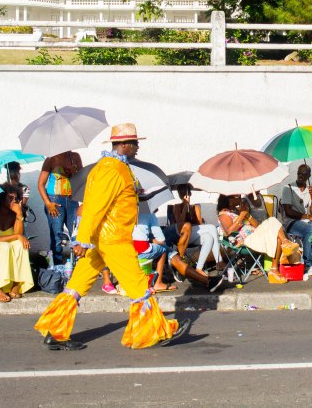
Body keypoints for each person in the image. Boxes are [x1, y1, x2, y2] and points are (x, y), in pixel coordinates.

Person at [34, 123, 189, 351]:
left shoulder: (113, 167)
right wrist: (82, 240)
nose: (137, 148)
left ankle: (55, 331)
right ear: (124, 144)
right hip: (113, 239)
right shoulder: (111, 169)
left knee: (76, 285)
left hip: (102, 240)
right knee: (137, 285)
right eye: (135, 143)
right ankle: (152, 332)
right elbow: (95, 206)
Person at [217, 194, 299, 284]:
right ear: (229, 200)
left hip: (254, 236)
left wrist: (247, 214)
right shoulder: (223, 214)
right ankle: (286, 243)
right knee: (272, 221)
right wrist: (241, 216)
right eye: (237, 197)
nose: (240, 198)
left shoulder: (237, 211)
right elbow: (229, 231)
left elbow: (256, 225)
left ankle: (274, 269)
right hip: (243, 241)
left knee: (274, 228)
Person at [0, 184, 34, 303]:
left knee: (20, 245)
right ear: (1, 199)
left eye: (16, 198)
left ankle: (16, 283)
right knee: (5, 246)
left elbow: (18, 234)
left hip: (9, 246)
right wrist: (17, 236)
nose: (14, 201)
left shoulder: (15, 214)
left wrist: (19, 215)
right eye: (10, 198)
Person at [38, 150, 82, 265]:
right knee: (57, 235)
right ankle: (57, 267)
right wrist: (48, 203)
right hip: (55, 200)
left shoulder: (75, 157)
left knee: (77, 234)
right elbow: (41, 183)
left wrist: (75, 171)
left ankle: (79, 265)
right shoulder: (51, 159)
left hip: (72, 200)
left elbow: (82, 179)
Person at [280, 164, 312, 276]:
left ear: (309, 175)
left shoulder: (309, 190)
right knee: (309, 229)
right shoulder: (288, 188)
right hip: (290, 222)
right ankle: (308, 265)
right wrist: (307, 216)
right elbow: (288, 212)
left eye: (304, 174)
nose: (300, 176)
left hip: (305, 222)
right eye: (299, 173)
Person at [172, 183, 223, 277]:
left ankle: (199, 268)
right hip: (184, 236)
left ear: (190, 194)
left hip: (195, 234)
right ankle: (219, 261)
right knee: (211, 227)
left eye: (186, 192)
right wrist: (185, 205)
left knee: (209, 238)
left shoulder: (194, 207)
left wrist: (193, 210)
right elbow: (180, 222)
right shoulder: (176, 207)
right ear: (180, 195)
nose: (185, 195)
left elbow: (198, 224)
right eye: (182, 193)